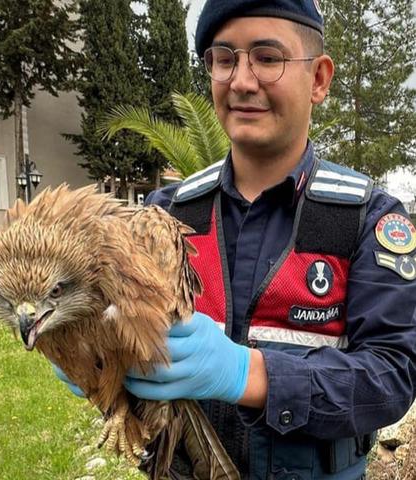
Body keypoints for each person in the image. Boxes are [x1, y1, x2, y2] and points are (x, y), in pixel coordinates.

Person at [55, 1, 416, 478]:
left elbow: (393, 375)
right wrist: (91, 355)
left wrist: (251, 375)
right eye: (224, 59)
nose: (242, 82)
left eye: (268, 58)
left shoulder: (367, 219)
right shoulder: (163, 215)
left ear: (320, 80)